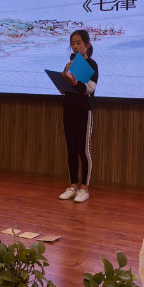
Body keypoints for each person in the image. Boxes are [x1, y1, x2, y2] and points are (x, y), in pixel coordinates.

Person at [59, 30, 99, 203]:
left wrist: (75, 83)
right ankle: (73, 186)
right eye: (72, 43)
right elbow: (63, 89)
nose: (75, 46)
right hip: (68, 108)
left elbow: (90, 88)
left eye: (78, 43)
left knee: (84, 150)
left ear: (87, 45)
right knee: (71, 149)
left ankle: (84, 188)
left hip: (83, 110)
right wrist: (64, 79)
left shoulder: (92, 64)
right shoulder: (69, 64)